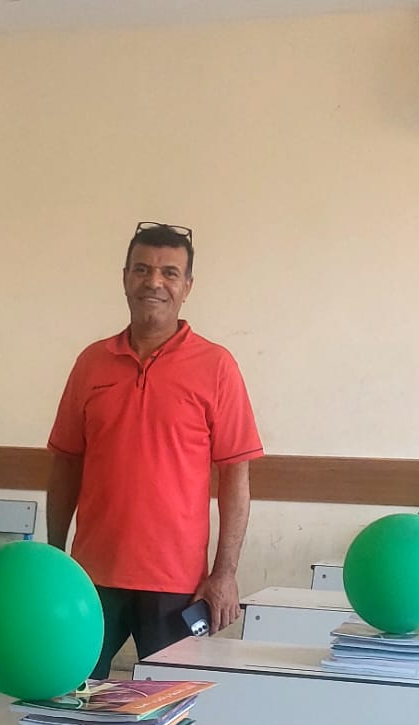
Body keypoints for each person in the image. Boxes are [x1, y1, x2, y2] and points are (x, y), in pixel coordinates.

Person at [46, 223, 264, 680]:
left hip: (177, 584)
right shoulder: (91, 363)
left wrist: (224, 573)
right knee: (69, 695)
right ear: (125, 278)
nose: (154, 282)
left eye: (169, 273)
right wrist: (55, 558)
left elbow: (235, 478)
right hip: (92, 577)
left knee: (171, 705)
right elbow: (66, 462)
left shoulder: (217, 366)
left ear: (187, 287)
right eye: (142, 269)